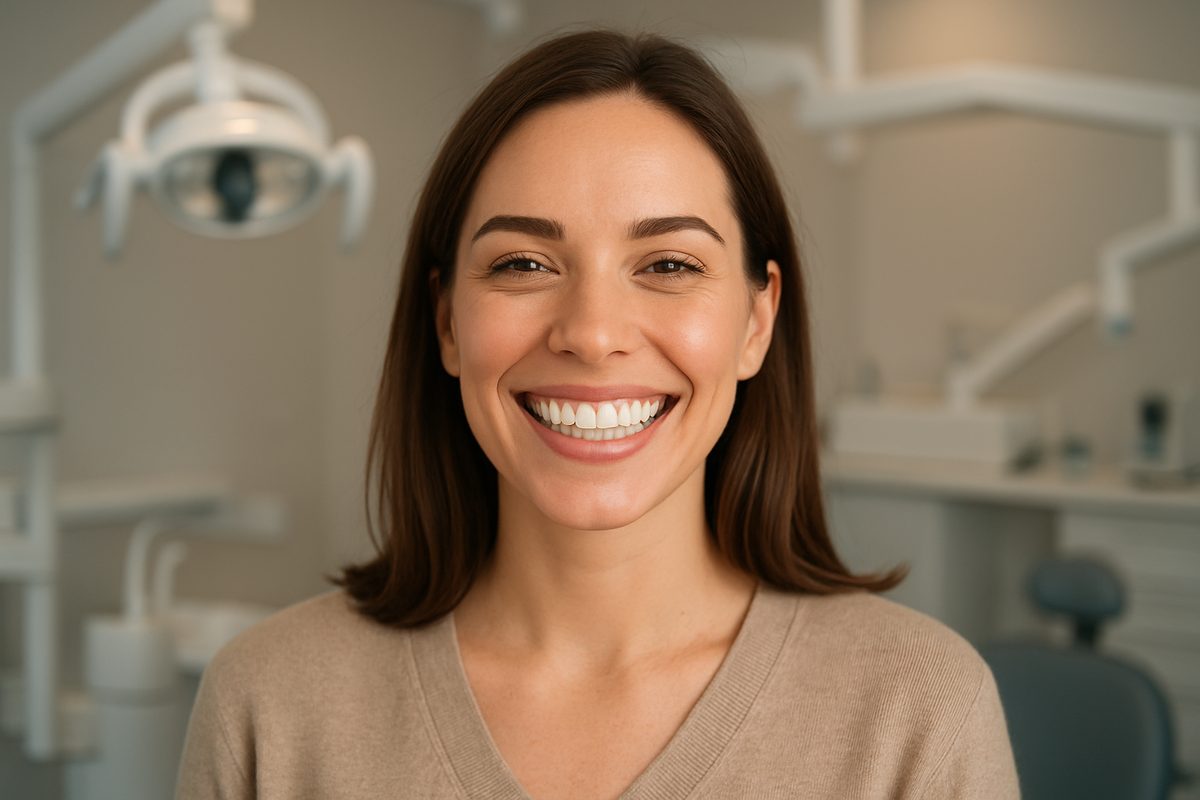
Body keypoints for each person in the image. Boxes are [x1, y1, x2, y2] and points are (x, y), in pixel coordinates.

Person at [176, 29, 1019, 799]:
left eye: (667, 263)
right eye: (524, 262)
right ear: (447, 324)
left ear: (756, 322)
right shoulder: (268, 706)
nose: (592, 333)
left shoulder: (921, 716)